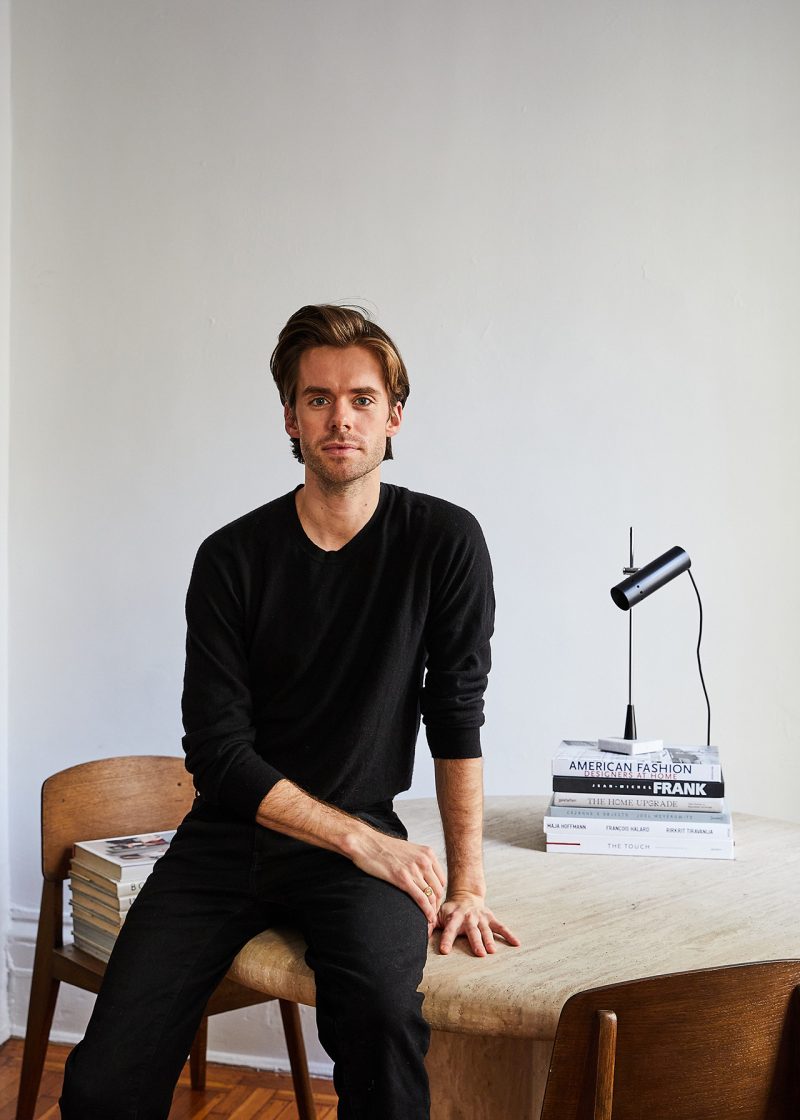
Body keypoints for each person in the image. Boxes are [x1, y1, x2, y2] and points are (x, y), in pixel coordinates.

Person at [60, 304, 518, 1120]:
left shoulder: (444, 542)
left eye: (362, 398)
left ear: (394, 417)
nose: (340, 417)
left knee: (382, 1028)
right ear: (290, 419)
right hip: (228, 841)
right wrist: (354, 837)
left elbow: (456, 712)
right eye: (317, 399)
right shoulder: (232, 558)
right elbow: (218, 753)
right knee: (102, 1082)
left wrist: (469, 883)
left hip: (356, 851)